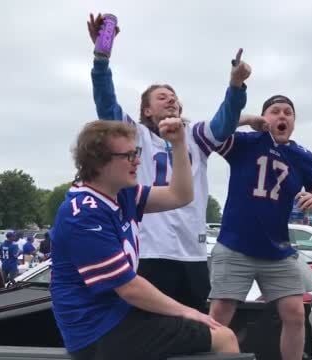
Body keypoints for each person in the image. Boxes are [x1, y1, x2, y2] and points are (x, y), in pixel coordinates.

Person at [87, 14, 255, 312]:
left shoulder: (197, 136)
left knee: (195, 330)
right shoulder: (134, 135)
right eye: (162, 97)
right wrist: (101, 59)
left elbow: (225, 119)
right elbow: (106, 103)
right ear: (147, 110)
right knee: (150, 332)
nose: (171, 100)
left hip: (192, 253)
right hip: (150, 252)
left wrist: (236, 86)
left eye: (174, 96)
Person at [50, 120, 238, 360]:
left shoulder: (122, 193)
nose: (137, 161)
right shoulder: (83, 213)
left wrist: (179, 145)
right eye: (128, 155)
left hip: (119, 316)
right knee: (224, 338)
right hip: (98, 331)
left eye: (136, 152)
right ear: (99, 161)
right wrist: (187, 311)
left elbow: (180, 195)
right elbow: (129, 288)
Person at [204, 95, 312, 360]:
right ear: (265, 117)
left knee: (296, 314)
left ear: (294, 122)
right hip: (235, 246)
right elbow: (214, 130)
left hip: (278, 250)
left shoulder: (302, 156)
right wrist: (247, 119)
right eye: (275, 111)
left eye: (289, 112)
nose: (282, 116)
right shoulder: (247, 142)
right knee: (219, 315)